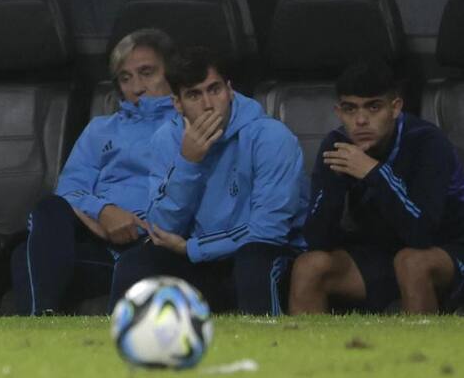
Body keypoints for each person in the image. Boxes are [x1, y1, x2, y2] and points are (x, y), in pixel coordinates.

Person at [111, 46, 307, 315]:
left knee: (254, 260)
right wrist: (188, 163)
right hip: (199, 259)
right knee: (136, 262)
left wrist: (194, 248)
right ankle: (119, 350)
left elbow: (267, 232)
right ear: (177, 103)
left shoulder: (271, 137)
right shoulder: (166, 140)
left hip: (266, 254)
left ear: (229, 89)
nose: (207, 104)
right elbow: (160, 228)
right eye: (193, 94)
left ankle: (268, 348)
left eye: (214, 90)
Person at [9, 29, 177, 315]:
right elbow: (70, 190)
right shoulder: (100, 129)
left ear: (170, 74)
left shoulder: (188, 126)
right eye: (126, 78)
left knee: (24, 258)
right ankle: (38, 327)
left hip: (152, 243)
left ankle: (38, 325)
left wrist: (136, 222)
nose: (136, 87)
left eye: (147, 72)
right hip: (95, 239)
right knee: (48, 210)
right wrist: (104, 210)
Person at [289, 63, 464, 314]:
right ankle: (312, 353)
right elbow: (317, 240)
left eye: (373, 107)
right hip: (382, 255)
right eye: (350, 109)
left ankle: (423, 353)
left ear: (395, 108)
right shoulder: (337, 145)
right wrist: (335, 186)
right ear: (338, 112)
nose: (361, 120)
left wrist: (374, 172)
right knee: (309, 266)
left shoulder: (427, 142)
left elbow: (422, 233)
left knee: (411, 262)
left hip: (447, 250)